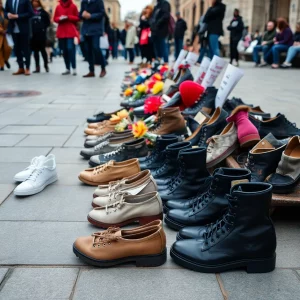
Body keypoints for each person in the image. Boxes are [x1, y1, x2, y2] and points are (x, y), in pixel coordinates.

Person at [4, 0, 34, 75]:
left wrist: (18, 16)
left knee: (26, 49)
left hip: (24, 28)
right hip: (13, 28)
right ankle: (21, 67)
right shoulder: (9, 1)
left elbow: (30, 13)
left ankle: (27, 68)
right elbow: (5, 12)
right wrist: (7, 15)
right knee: (16, 49)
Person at [80, 0, 107, 78]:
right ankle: (91, 70)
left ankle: (103, 68)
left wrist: (91, 16)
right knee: (88, 50)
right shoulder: (84, 2)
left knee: (96, 48)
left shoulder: (98, 1)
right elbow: (80, 14)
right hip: (86, 29)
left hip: (96, 29)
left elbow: (102, 13)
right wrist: (82, 15)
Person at [54, 0, 79, 75]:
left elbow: (77, 18)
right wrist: (59, 18)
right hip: (61, 31)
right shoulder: (58, 7)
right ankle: (67, 68)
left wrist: (68, 17)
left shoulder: (73, 6)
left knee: (70, 49)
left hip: (70, 31)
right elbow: (55, 18)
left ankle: (74, 68)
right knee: (64, 51)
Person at [30, 0, 50, 73]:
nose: (35, 3)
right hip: (33, 35)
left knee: (42, 50)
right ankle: (37, 67)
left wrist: (43, 28)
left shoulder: (43, 12)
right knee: (35, 52)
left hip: (41, 35)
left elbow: (48, 22)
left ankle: (46, 65)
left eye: (36, 1)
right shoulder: (31, 12)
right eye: (33, 2)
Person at [0, 0, 11, 71]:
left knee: (8, 49)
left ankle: (6, 59)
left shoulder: (6, 12)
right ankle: (2, 65)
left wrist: (8, 30)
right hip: (0, 34)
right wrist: (1, 30)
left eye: (0, 3)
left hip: (7, 33)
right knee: (0, 50)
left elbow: (10, 21)